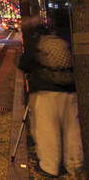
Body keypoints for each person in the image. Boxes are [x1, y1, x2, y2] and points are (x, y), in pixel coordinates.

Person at [19, 22, 85, 177]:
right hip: (69, 89)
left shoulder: (36, 44)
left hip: (46, 92)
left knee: (47, 131)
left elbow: (24, 64)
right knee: (72, 130)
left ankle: (49, 166)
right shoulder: (61, 41)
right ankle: (75, 164)